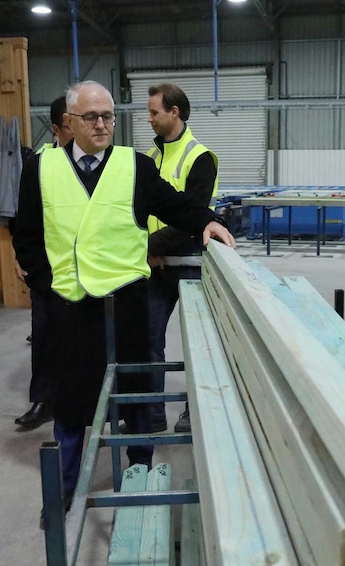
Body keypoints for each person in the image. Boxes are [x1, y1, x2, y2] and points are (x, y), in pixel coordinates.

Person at [13, 80, 235, 515]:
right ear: (69, 123)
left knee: (135, 396)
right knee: (72, 402)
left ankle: (139, 476)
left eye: (108, 116)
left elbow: (175, 204)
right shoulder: (41, 169)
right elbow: (27, 236)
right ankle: (65, 488)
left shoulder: (134, 166)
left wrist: (206, 221)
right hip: (70, 305)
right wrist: (46, 285)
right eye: (91, 117)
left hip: (126, 302)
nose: (101, 125)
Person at [144, 82, 218, 434]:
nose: (149, 119)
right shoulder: (152, 156)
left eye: (154, 112)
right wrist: (147, 248)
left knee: (196, 343)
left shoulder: (200, 157)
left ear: (174, 112)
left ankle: (193, 411)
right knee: (149, 340)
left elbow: (193, 218)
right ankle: (152, 415)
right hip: (155, 266)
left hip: (189, 264)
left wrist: (151, 246)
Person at [13, 96, 73, 430]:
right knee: (45, 337)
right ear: (56, 129)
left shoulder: (101, 162)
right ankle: (43, 401)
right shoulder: (40, 162)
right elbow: (25, 220)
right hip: (49, 272)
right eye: (70, 124)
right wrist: (25, 262)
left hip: (91, 271)